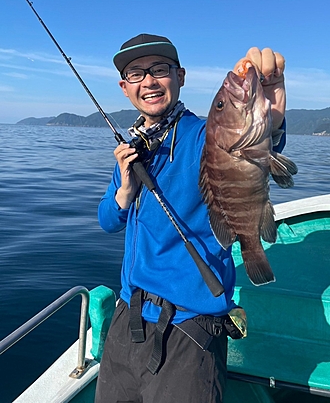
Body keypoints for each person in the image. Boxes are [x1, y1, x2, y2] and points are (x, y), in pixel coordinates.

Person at [95, 34, 287, 403]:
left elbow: (242, 143)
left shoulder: (205, 135)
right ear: (125, 88)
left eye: (160, 70)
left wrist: (270, 119)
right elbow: (107, 220)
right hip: (127, 319)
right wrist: (124, 192)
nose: (148, 81)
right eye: (136, 74)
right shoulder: (132, 149)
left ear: (180, 76)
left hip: (190, 330)